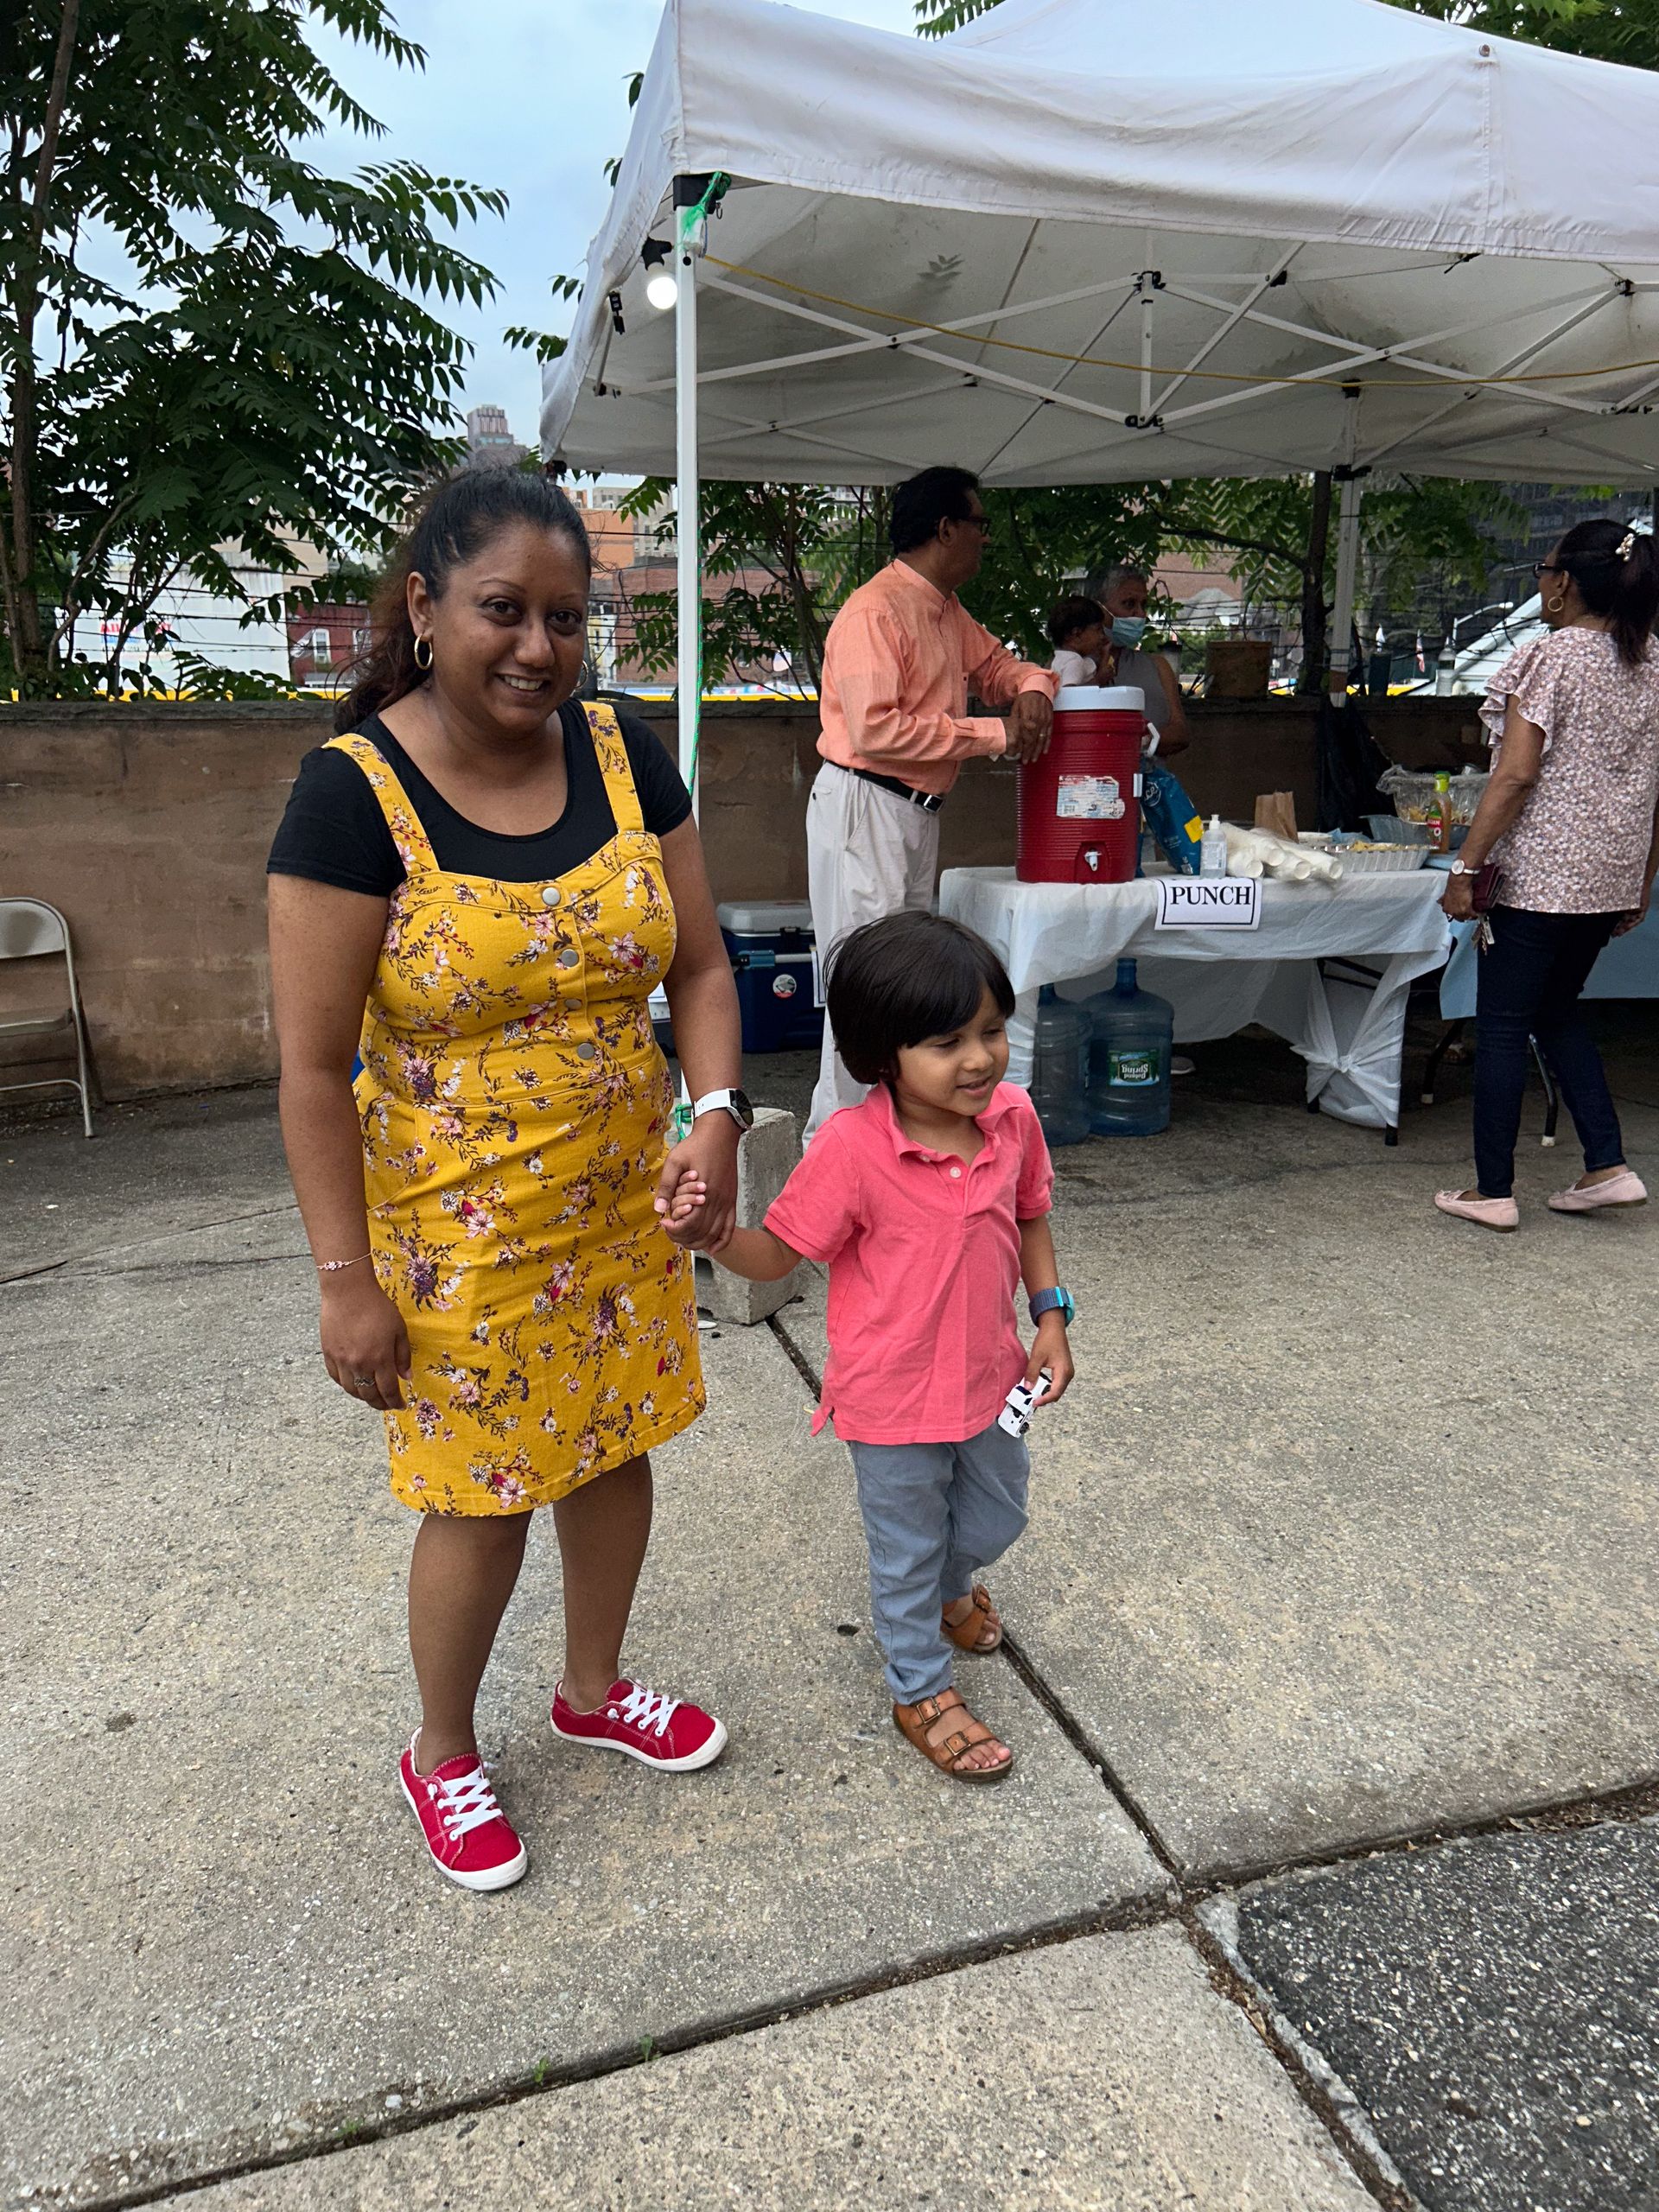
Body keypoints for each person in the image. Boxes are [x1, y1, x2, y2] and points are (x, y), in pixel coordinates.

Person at [266, 469, 747, 1892]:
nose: (538, 645)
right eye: (502, 611)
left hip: (625, 1202)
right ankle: (441, 1748)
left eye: (565, 616)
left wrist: (715, 1118)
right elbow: (307, 1070)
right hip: (455, 1239)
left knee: (616, 1445)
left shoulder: (622, 755)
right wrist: (343, 1282)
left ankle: (592, 1690)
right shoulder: (353, 795)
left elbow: (708, 968)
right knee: (482, 1496)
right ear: (424, 606)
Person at [662, 912, 1076, 1784]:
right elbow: (779, 1255)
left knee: (997, 1515)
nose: (979, 1059)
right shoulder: (851, 1148)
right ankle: (920, 1687)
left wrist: (1049, 1317)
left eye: (992, 1031)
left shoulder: (1012, 1118)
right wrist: (714, 1234)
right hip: (888, 1404)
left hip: (992, 1381)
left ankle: (953, 1590)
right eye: (946, 1041)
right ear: (879, 1056)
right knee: (907, 1548)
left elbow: (1031, 1212)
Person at [804, 467, 1057, 1140]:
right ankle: (836, 1152)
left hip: (913, 809)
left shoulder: (943, 608)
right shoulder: (876, 611)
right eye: (980, 526)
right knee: (864, 989)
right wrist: (998, 733)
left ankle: (892, 1145)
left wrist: (1034, 689)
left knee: (909, 984)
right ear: (946, 529)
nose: (985, 540)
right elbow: (876, 729)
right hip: (868, 805)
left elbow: (1005, 668)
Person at [1435, 519, 1659, 1231]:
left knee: (1501, 1025)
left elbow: (1516, 774)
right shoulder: (1653, 661)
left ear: (1563, 583)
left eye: (1543, 567)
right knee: (1557, 1011)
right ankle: (1607, 1165)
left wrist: (1465, 866)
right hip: (1611, 877)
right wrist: (1643, 881)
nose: (1540, 580)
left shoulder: (1552, 657)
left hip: (1541, 879)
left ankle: (1492, 1189)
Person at [1084, 561, 1190, 758]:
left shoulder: (1157, 667)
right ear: (1096, 608)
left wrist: (1141, 742)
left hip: (1150, 786)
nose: (1141, 614)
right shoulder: (1069, 666)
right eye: (1129, 604)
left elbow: (1180, 734)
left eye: (1144, 605)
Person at [1047, 594, 1113, 688]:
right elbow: (1070, 694)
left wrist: (1105, 654)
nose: (1102, 636)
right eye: (1098, 630)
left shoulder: (1059, 658)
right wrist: (1099, 680)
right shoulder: (1074, 662)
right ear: (1076, 634)